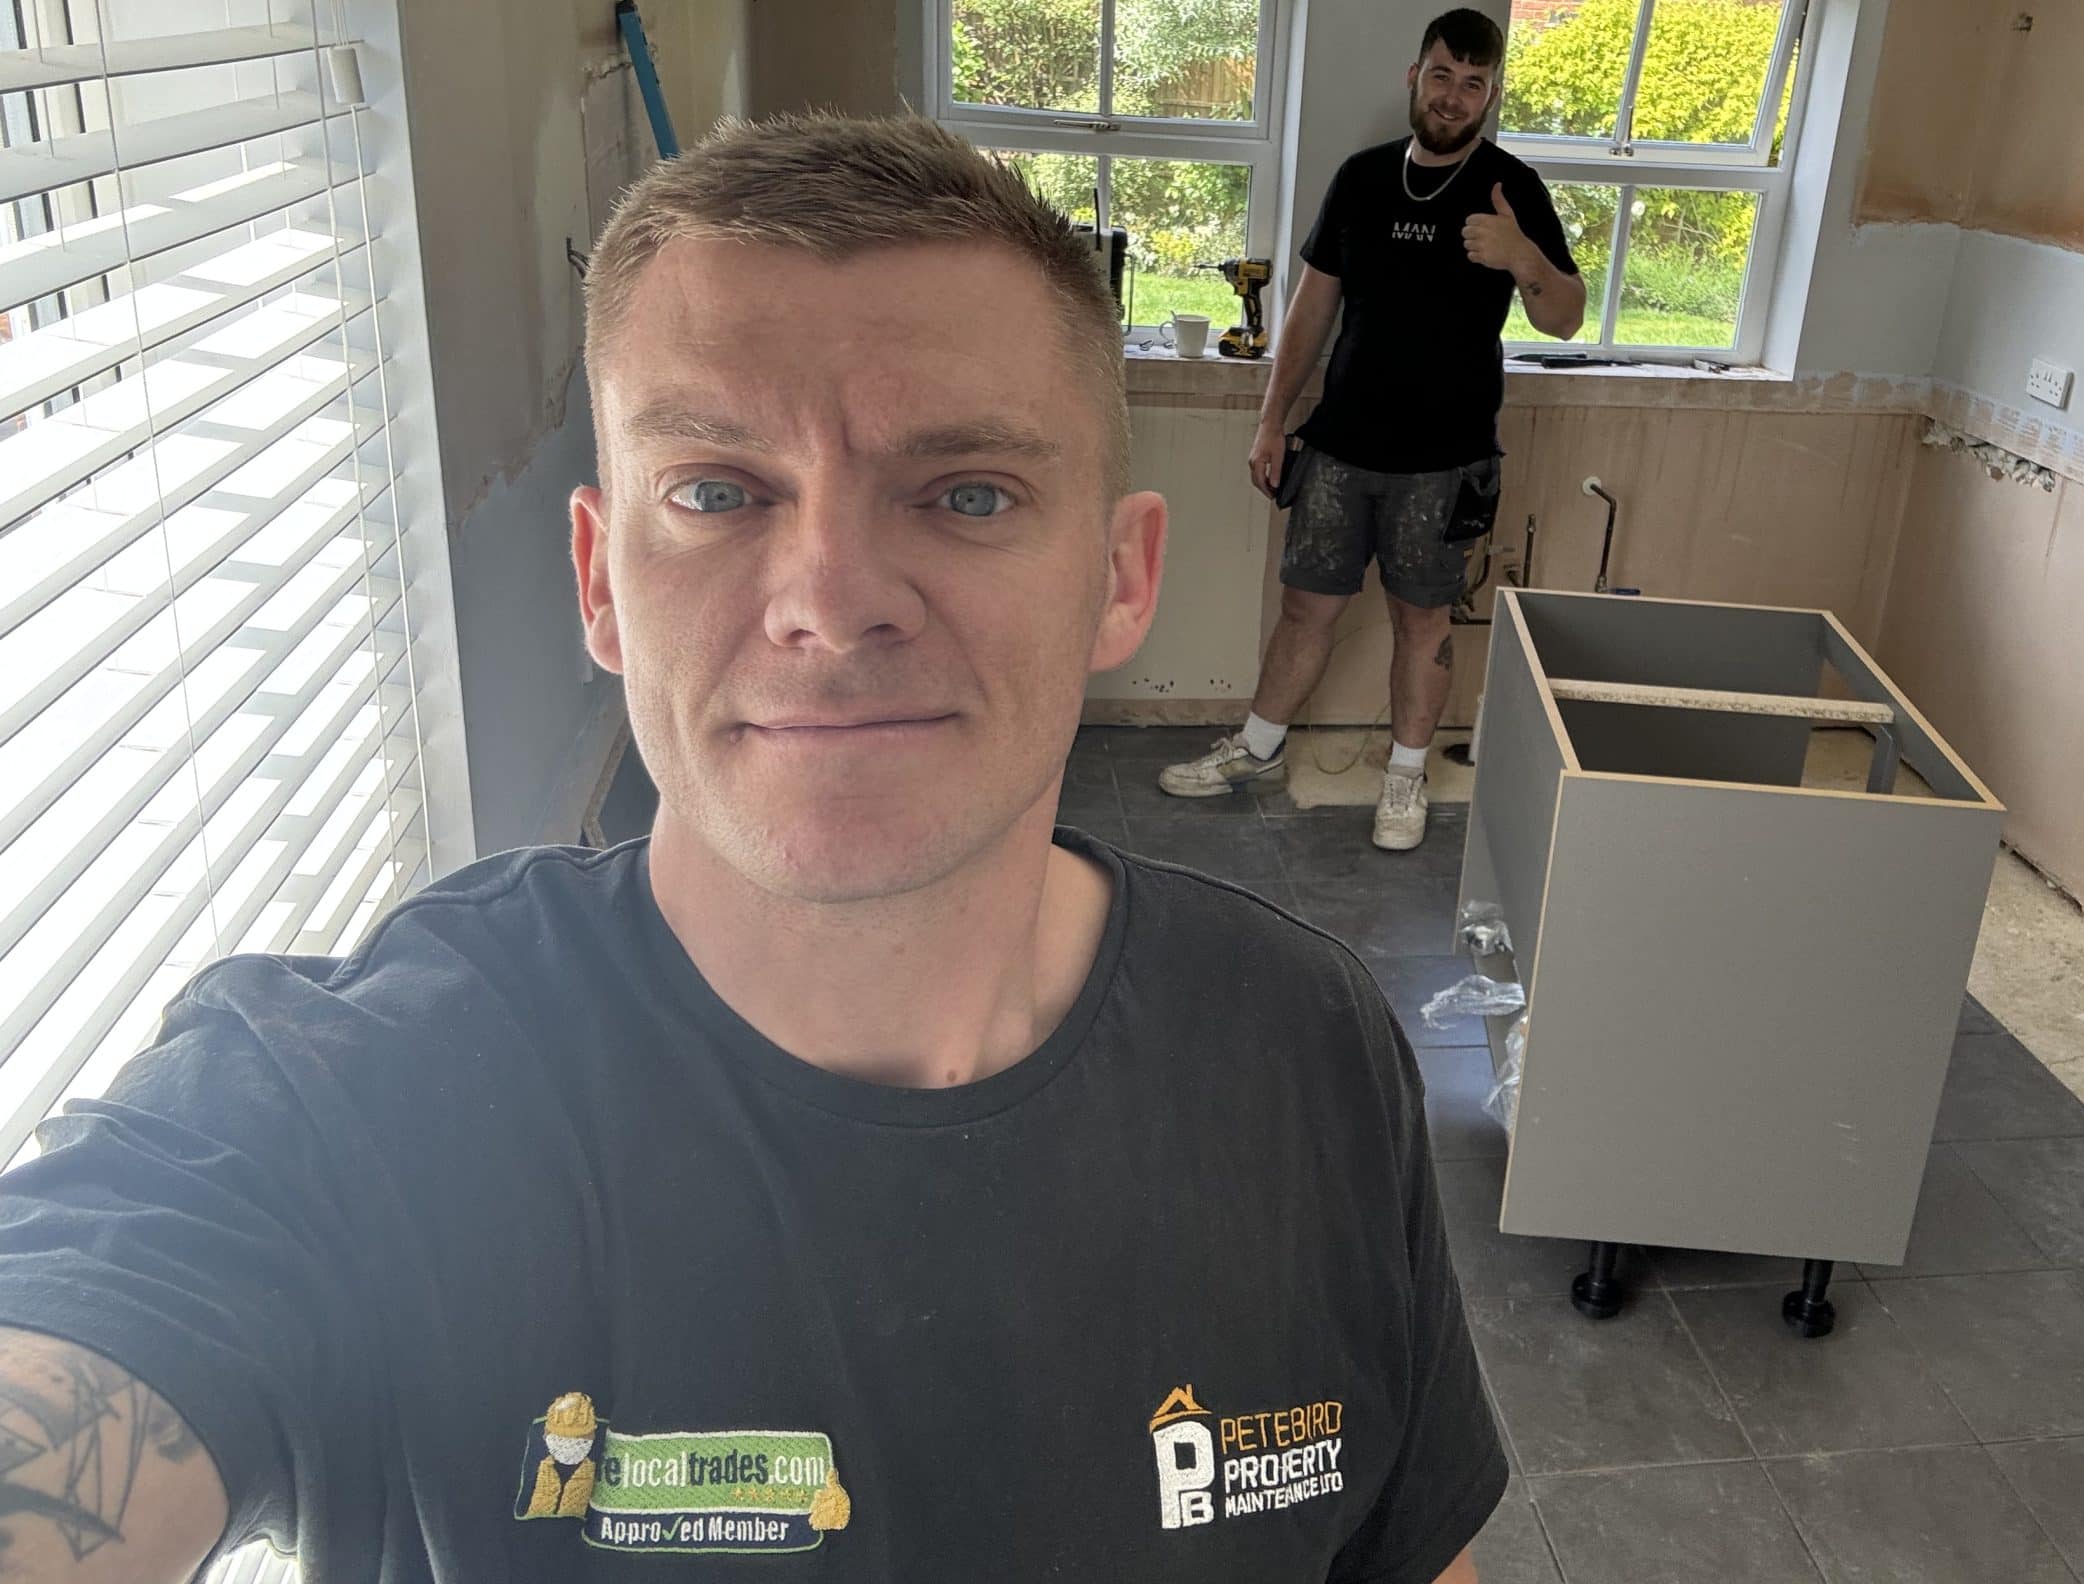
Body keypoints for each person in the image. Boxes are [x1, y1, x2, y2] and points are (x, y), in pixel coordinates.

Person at [0, 115, 1501, 1582]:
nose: (832, 600)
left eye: (967, 493)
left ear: (1121, 579)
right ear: (602, 582)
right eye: (718, 492)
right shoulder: (348, 1113)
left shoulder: (1305, 1051)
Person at [1157, 9, 1585, 850]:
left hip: (1446, 459)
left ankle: (1403, 779)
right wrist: (1272, 422)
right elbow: (1314, 307)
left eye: (1473, 84)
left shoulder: (1512, 189)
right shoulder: (1360, 179)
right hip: (1342, 445)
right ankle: (1258, 749)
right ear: (1413, 77)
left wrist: (1521, 257)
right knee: (1305, 608)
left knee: (1423, 622)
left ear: (1491, 92)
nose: (1454, 98)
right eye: (1441, 76)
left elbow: (1565, 317)